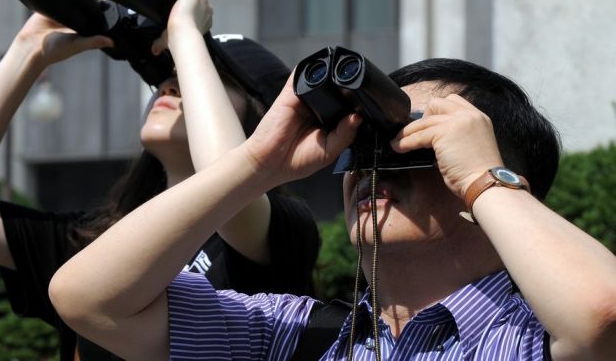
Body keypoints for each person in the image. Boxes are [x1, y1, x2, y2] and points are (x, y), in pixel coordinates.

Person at [49, 57, 616, 360]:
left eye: (413, 143)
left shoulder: (531, 341)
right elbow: (90, 300)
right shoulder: (291, 336)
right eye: (362, 143)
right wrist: (256, 166)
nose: (372, 164)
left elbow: (602, 316)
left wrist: (482, 180)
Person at [0, 0, 320, 360]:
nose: (170, 86)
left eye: (202, 77)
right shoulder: (98, 240)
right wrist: (27, 51)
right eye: (163, 77)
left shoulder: (277, 228)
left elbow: (233, 184)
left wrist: (185, 34)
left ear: (261, 119)